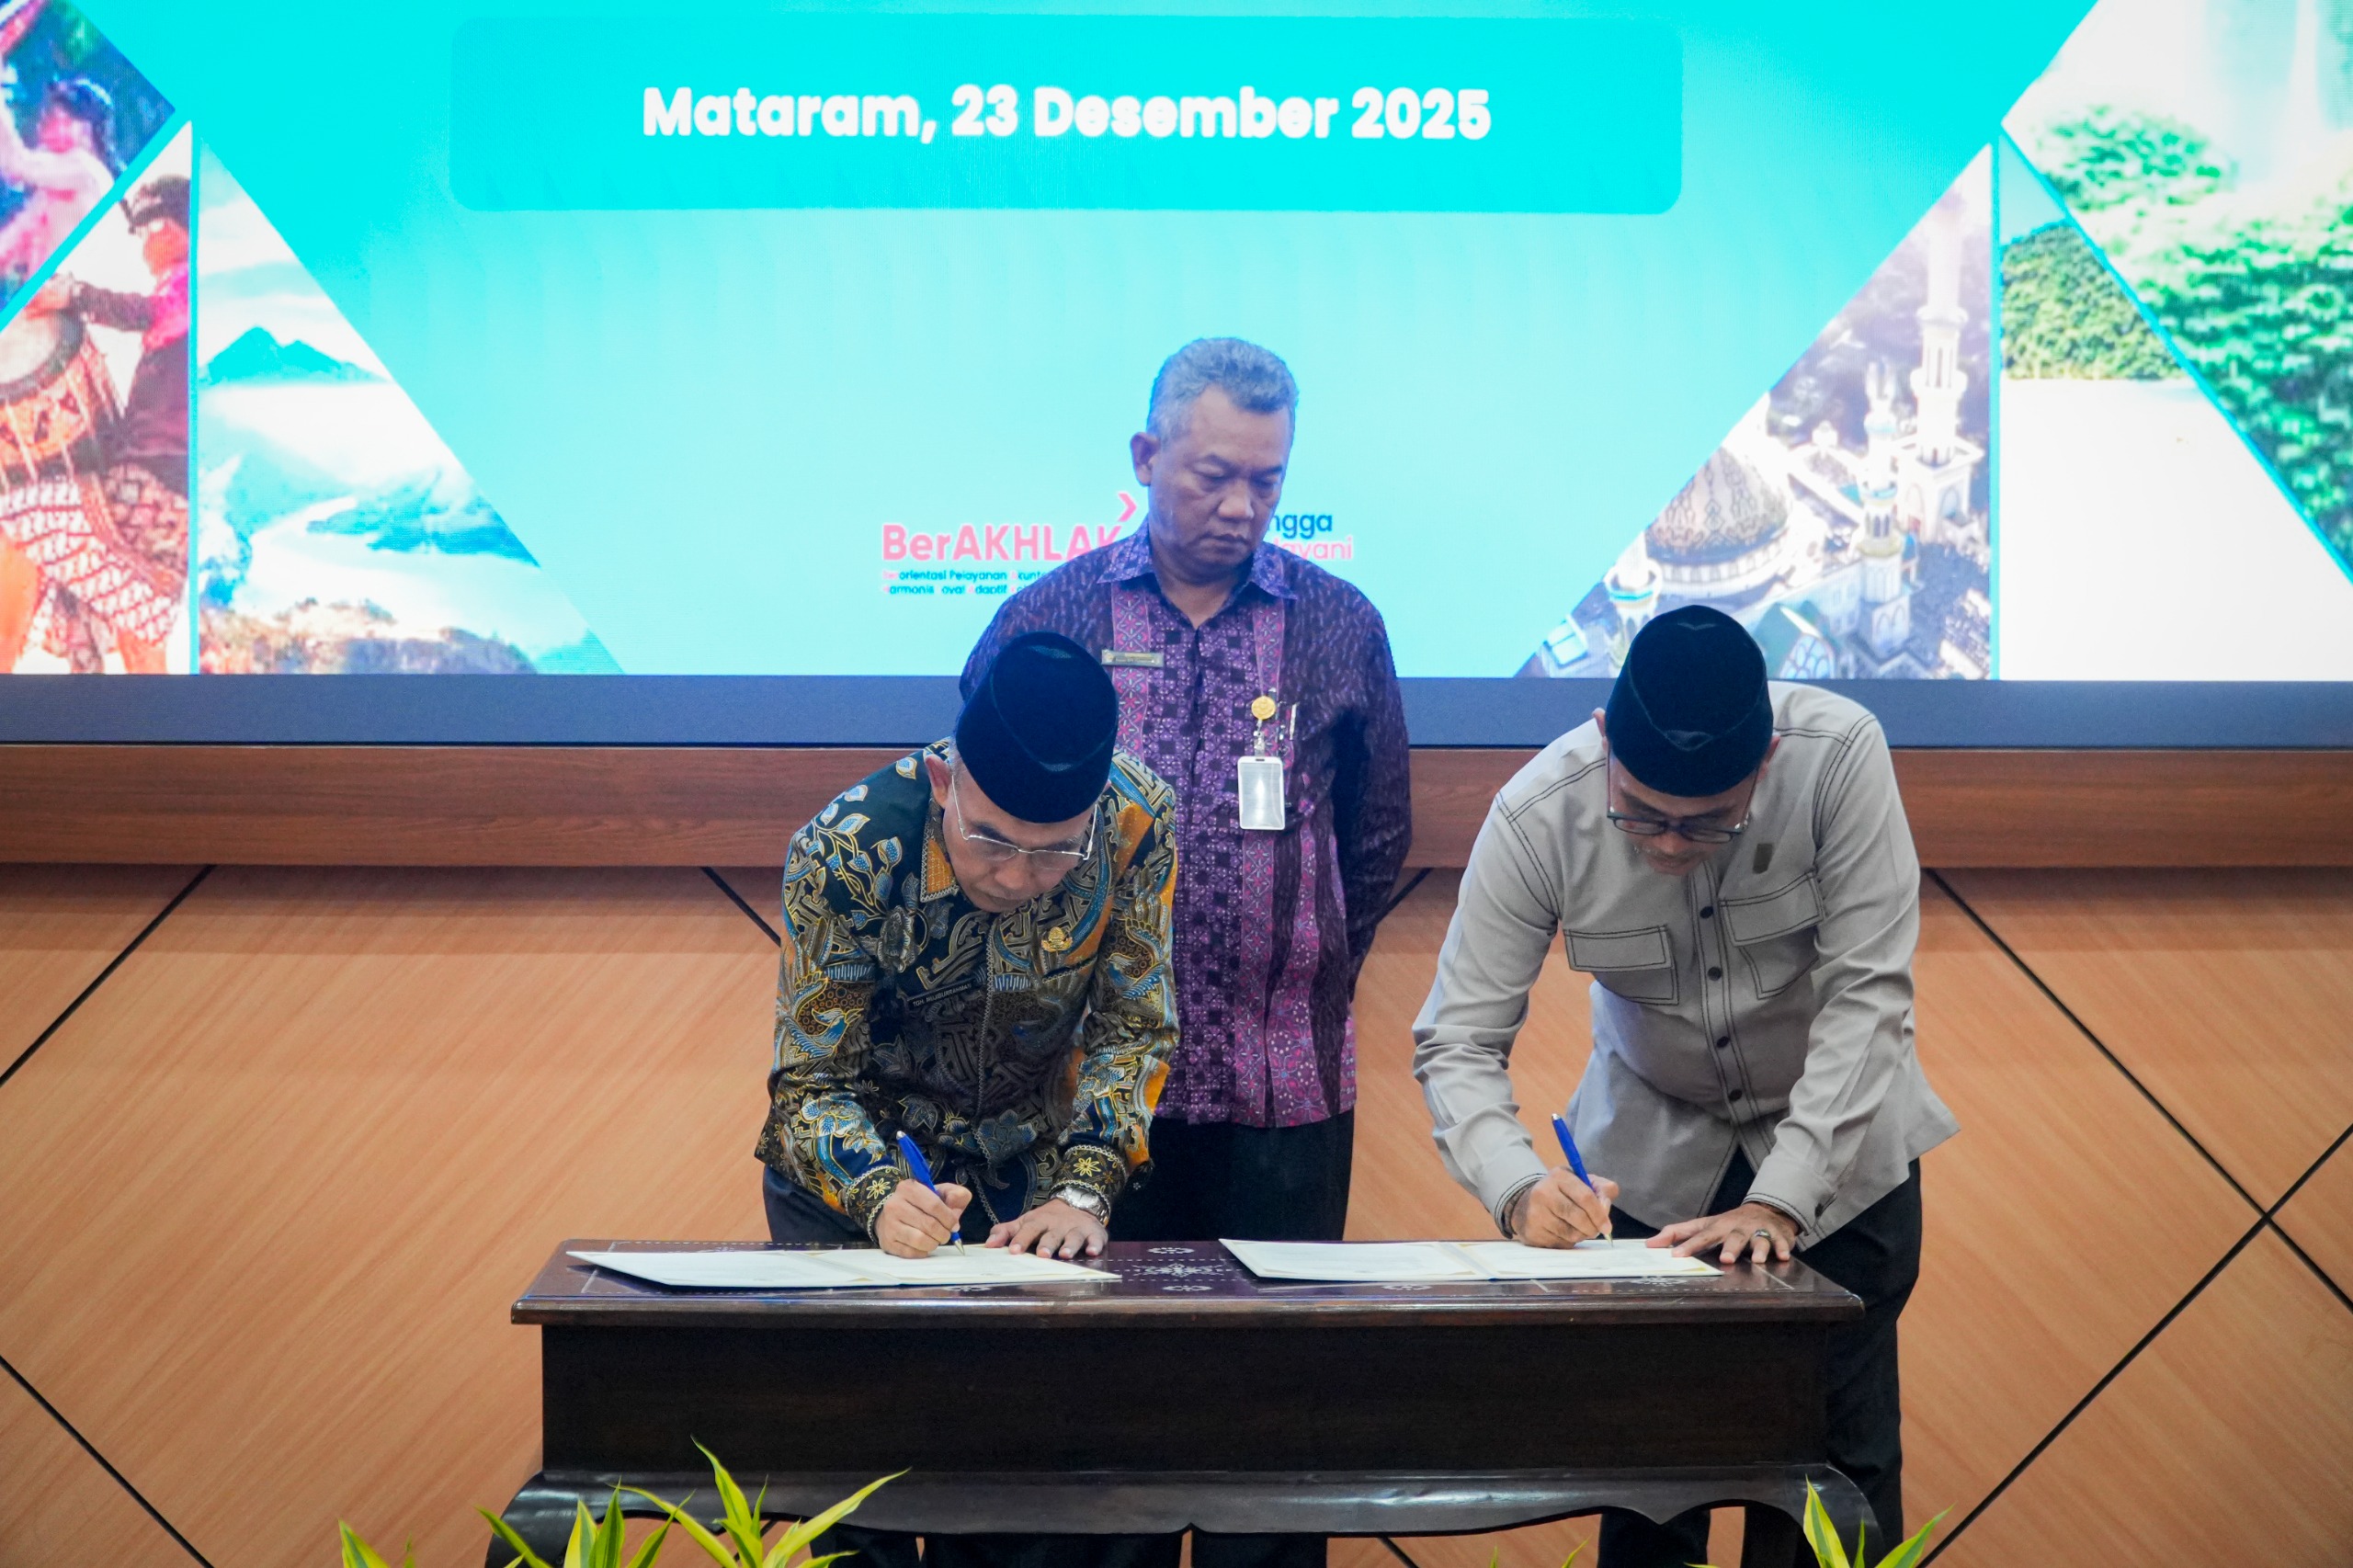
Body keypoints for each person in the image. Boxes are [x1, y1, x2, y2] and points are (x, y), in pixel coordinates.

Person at [1412, 605, 1958, 1568]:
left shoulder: (1838, 757)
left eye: (1707, 821)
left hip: (1839, 1158)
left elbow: (1868, 996)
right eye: (1641, 814)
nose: (1667, 845)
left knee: (1837, 1469)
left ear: (1767, 760)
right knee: (1653, 1475)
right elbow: (1457, 1037)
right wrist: (1516, 1186)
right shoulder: (1538, 813)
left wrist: (1781, 1200)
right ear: (1602, 738)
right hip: (1651, 1160)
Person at [963, 338, 1411, 1265]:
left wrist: (1298, 962)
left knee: (1274, 1342)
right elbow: (977, 827)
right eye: (1214, 476)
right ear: (1146, 456)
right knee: (1087, 1342)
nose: (1241, 507)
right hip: (1076, 1091)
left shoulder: (1339, 624)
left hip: (1283, 1086)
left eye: (1266, 482)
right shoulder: (1048, 621)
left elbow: (1376, 835)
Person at [757, 629, 1177, 1259]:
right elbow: (811, 1078)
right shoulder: (848, 850)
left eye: (1057, 851)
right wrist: (877, 1194)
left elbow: (1134, 1026)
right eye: (991, 840)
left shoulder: (1136, 820)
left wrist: (1083, 1191)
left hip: (1040, 1182)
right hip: (867, 1165)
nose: (1015, 878)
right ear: (942, 781)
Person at [0, 171, 187, 672]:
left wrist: (73, 295)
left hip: (148, 493)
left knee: (15, 523)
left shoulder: (187, 287)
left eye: (148, 232)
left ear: (172, 230)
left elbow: (146, 310)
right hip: (168, 504)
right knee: (135, 632)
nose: (144, 247)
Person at [0, 76, 115, 288]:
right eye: (48, 117)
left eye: (60, 119)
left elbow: (16, 163)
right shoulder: (54, 188)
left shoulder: (86, 170)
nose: (46, 128)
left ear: (86, 130)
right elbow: (14, 239)